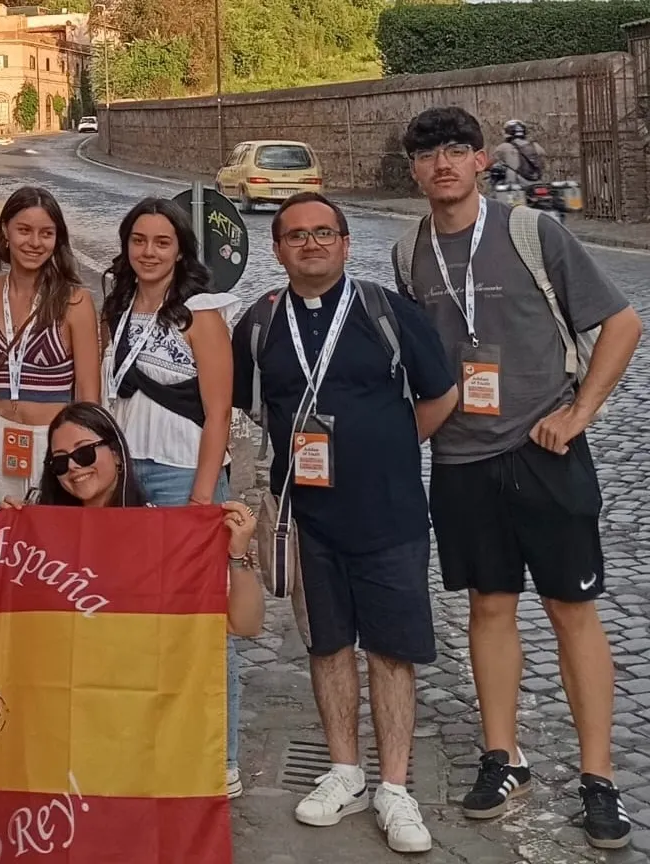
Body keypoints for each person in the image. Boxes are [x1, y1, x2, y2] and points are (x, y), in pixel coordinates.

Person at [393, 106, 643, 851]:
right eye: (428, 154)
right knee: (490, 606)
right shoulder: (408, 253)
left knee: (571, 610)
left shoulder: (533, 233)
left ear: (481, 160)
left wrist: (581, 413)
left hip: (544, 452)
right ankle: (503, 759)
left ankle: (599, 778)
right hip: (462, 460)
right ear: (414, 170)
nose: (443, 163)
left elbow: (622, 323)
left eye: (456, 150)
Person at [235, 192, 458, 853]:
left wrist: (388, 449)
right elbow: (249, 408)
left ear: (345, 242)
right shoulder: (261, 322)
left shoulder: (386, 312)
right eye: (296, 235)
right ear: (278, 249)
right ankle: (344, 772)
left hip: (389, 513)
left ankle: (394, 786)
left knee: (391, 650)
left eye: (323, 233)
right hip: (307, 519)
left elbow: (441, 394)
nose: (311, 244)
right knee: (326, 646)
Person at [99, 197, 245, 795]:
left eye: (162, 242)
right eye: (139, 240)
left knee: (204, 623)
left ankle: (221, 754)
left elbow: (218, 413)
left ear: (181, 250)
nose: (149, 252)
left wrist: (201, 498)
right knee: (139, 618)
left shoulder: (200, 314)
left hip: (183, 474)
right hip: (126, 478)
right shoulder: (119, 307)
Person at [20, 402, 264, 645]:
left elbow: (245, 624)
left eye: (84, 453)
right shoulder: (40, 540)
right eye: (60, 462)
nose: (73, 467)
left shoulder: (166, 536)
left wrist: (237, 556)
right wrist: (9, 535)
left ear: (116, 453)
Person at [0, 186, 101, 511]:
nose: (34, 242)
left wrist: (84, 455)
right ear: (5, 231)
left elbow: (88, 392)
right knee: (0, 532)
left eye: (46, 233)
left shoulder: (75, 302)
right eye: (24, 230)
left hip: (55, 444)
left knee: (53, 535)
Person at [491, 119, 547, 186]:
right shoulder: (535, 146)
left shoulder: (504, 147)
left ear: (507, 133)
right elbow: (543, 160)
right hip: (537, 184)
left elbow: (490, 162)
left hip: (516, 186)